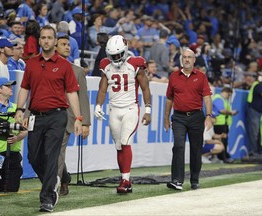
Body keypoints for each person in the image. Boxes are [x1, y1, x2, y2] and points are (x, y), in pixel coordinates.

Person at [14, 25, 82, 213]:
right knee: (33, 157)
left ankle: (47, 199)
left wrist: (78, 118)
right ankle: (52, 184)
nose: (46, 41)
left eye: (49, 38)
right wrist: (19, 110)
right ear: (40, 40)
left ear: (54, 41)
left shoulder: (64, 65)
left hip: (57, 116)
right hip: (35, 115)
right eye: (43, 37)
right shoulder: (32, 63)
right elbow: (25, 88)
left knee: (51, 156)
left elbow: (72, 93)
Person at [94, 35, 151, 194]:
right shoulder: (106, 65)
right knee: (119, 145)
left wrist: (148, 110)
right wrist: (98, 105)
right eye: (113, 55)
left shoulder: (135, 63)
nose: (116, 58)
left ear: (125, 51)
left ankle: (125, 180)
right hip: (114, 109)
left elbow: (145, 88)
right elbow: (102, 88)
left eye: (118, 54)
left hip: (130, 108)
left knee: (126, 141)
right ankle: (125, 178)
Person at [164, 48, 212, 190]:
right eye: (184, 57)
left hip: (197, 116)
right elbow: (169, 98)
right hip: (178, 117)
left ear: (194, 60)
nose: (186, 59)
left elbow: (207, 98)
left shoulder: (201, 76)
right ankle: (177, 180)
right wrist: (166, 118)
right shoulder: (174, 76)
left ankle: (194, 179)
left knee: (196, 149)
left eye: (189, 57)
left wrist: (208, 116)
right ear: (181, 59)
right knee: (178, 146)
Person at [55, 33, 91, 196]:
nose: (68, 47)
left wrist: (85, 123)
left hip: (67, 117)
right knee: (44, 153)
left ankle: (52, 187)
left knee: (57, 152)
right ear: (55, 47)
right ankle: (64, 178)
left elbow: (83, 97)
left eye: (69, 45)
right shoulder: (45, 67)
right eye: (63, 44)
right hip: (46, 116)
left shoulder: (77, 71)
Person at [212, 87, 238, 163]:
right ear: (226, 92)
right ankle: (222, 157)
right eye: (229, 95)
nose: (229, 97)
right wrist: (231, 112)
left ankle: (224, 156)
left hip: (223, 123)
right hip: (219, 123)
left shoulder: (223, 99)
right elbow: (221, 110)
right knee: (221, 141)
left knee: (224, 141)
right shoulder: (218, 98)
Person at [245, 72, 262, 158]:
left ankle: (258, 151)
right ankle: (253, 152)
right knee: (254, 132)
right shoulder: (258, 85)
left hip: (259, 112)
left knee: (258, 133)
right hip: (254, 111)